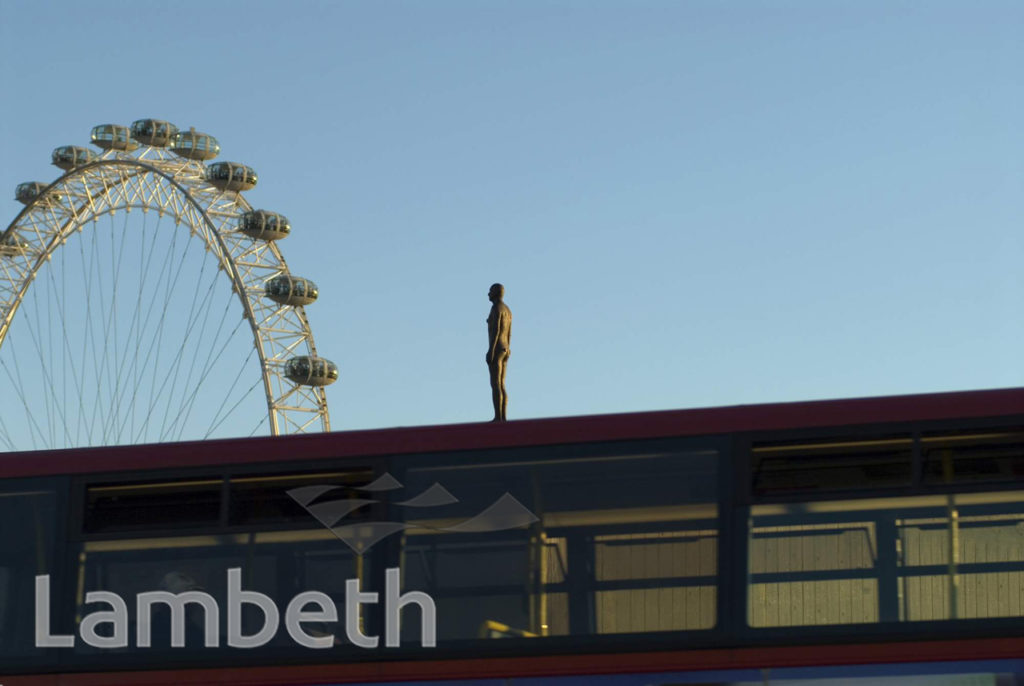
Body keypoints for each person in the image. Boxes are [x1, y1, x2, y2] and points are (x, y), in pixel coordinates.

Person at [486, 283, 512, 422]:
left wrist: (491, 350)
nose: (488, 294)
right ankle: (503, 416)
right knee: (501, 383)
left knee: (496, 383)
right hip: (505, 348)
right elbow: (509, 333)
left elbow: (496, 330)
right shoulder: (507, 310)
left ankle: (498, 417)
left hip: (497, 348)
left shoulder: (496, 308)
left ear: (496, 293)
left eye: (490, 291)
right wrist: (508, 347)